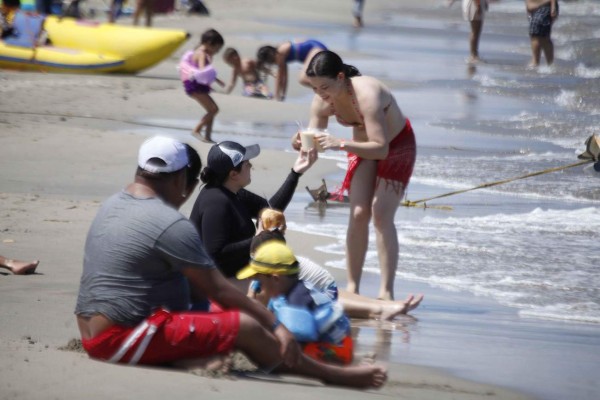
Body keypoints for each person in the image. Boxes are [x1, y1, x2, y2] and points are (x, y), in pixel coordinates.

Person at [74, 135, 387, 387]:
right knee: (245, 325)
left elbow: (265, 211)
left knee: (218, 308)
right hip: (120, 338)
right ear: (181, 179)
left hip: (94, 327)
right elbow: (219, 288)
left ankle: (190, 357)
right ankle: (330, 374)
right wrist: (277, 327)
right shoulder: (170, 222)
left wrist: (296, 173)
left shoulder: (113, 205)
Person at [293, 50, 417, 301]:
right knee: (359, 213)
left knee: (381, 215)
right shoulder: (321, 101)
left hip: (395, 146)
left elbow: (381, 148)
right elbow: (313, 143)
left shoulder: (368, 95)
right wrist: (299, 144)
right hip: (359, 148)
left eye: (325, 87)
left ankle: (386, 292)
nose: (321, 94)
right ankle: (353, 287)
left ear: (341, 77)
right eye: (315, 88)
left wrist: (340, 144)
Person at [189, 141, 317, 293]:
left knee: (314, 276)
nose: (251, 166)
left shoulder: (233, 192)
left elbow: (270, 211)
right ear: (233, 174)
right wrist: (258, 237)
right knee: (302, 289)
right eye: (247, 163)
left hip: (241, 273)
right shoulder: (216, 202)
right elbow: (216, 254)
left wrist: (295, 173)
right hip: (219, 284)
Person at [251, 209, 423, 320]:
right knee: (329, 292)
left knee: (324, 298)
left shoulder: (265, 260)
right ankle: (383, 305)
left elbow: (256, 298)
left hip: (318, 284)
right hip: (320, 280)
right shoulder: (272, 248)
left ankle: (378, 309)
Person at [238, 240, 354, 365]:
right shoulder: (290, 290)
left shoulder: (297, 300)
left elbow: (294, 338)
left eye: (260, 284)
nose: (260, 289)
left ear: (276, 279)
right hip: (328, 342)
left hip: (336, 351)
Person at [178, 29, 226, 143]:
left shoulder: (198, 51)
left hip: (196, 84)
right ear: (209, 43)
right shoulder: (202, 54)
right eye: (217, 49)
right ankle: (197, 130)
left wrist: (216, 79)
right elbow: (202, 71)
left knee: (211, 109)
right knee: (214, 109)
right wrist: (210, 78)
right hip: (196, 85)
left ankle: (208, 136)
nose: (216, 52)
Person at [256, 39, 327, 101]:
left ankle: (326, 90)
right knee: (318, 78)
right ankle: (326, 90)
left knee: (303, 79)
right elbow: (284, 77)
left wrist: (276, 96)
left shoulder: (279, 53)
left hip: (315, 48)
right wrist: (283, 95)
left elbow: (279, 78)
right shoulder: (280, 53)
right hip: (316, 47)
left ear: (270, 56)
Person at [525, 0, 558, 67]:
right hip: (535, 6)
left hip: (546, 6)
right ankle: (549, 64)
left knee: (536, 33)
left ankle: (536, 62)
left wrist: (553, 7)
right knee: (541, 35)